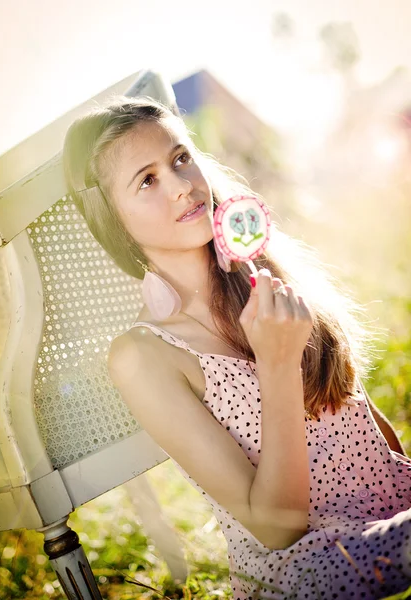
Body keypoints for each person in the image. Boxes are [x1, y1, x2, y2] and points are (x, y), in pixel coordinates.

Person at [62, 95, 411, 600]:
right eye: (148, 180)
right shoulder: (143, 355)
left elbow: (365, 425)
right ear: (112, 218)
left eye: (181, 158)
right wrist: (278, 365)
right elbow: (277, 528)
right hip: (307, 565)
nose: (183, 186)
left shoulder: (263, 278)